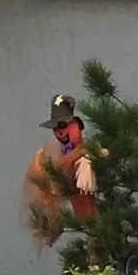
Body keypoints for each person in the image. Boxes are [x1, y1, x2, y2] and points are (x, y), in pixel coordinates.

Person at [21, 92, 99, 247]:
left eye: (63, 126)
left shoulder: (87, 154)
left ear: (77, 125)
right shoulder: (51, 155)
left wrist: (85, 159)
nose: (59, 132)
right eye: (55, 128)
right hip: (76, 221)